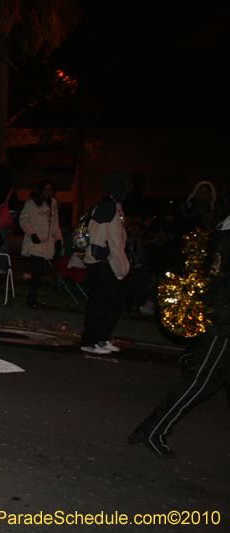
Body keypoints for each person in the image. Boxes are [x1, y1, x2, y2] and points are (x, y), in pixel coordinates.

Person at [128, 213, 230, 457]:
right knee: (202, 381)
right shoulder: (227, 240)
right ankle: (152, 430)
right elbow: (218, 282)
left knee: (210, 380)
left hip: (222, 318)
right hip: (224, 324)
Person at [80, 171, 132, 355]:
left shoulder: (116, 207)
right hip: (103, 264)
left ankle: (101, 338)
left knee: (113, 304)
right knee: (99, 304)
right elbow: (99, 233)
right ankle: (90, 340)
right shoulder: (106, 206)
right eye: (126, 182)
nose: (129, 186)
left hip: (112, 263)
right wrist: (100, 258)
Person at [19, 179, 63, 308]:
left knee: (43, 270)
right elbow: (24, 220)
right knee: (38, 270)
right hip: (35, 242)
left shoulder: (53, 205)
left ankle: (32, 296)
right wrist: (32, 234)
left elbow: (55, 225)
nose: (47, 192)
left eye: (49, 190)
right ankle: (31, 299)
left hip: (47, 244)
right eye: (44, 190)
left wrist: (59, 239)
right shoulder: (31, 204)